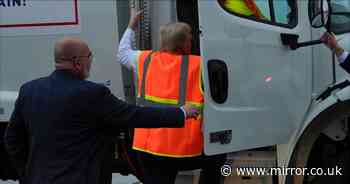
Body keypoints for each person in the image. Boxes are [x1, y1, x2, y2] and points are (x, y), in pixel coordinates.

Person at [3, 37, 200, 184]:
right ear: (77, 62)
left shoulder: (30, 90)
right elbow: (134, 115)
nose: (91, 61)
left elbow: (12, 139)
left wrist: (26, 174)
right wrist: (181, 112)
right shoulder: (91, 93)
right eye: (90, 56)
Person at [117, 8, 226, 184]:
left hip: (148, 147)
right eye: (190, 38)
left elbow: (122, 53)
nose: (192, 41)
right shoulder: (200, 64)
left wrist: (131, 25)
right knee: (218, 155)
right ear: (184, 44)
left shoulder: (144, 59)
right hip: (187, 150)